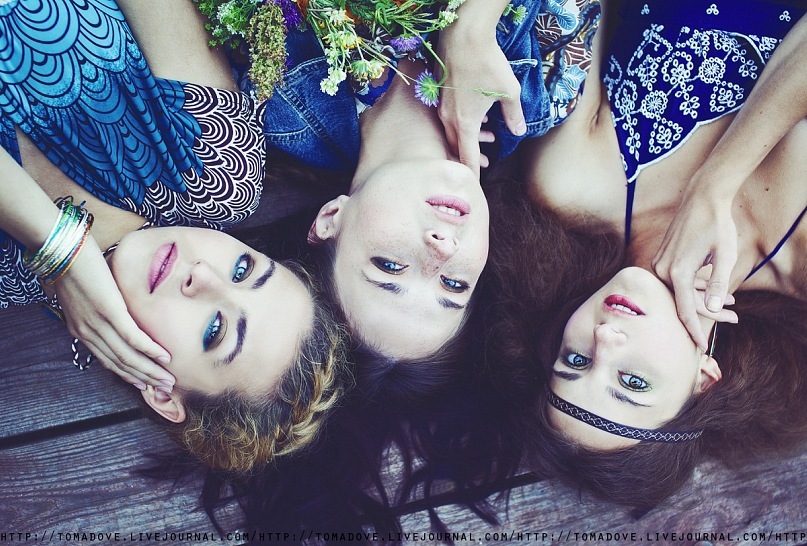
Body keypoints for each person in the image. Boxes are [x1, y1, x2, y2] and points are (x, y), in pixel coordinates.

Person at [0, 0, 348, 473]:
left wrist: (58, 245)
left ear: (162, 393)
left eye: (214, 330)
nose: (203, 275)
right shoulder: (217, 170)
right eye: (243, 268)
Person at [488, 0, 807, 508]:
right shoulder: (799, 267)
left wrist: (710, 188)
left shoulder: (572, 187)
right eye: (632, 382)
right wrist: (718, 182)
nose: (604, 339)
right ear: (703, 383)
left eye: (575, 360)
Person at [262, 0, 555, 361]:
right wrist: (475, 25)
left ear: (331, 219)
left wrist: (467, 32)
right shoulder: (535, 98)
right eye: (454, 284)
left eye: (388, 266)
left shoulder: (276, 94)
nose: (443, 250)